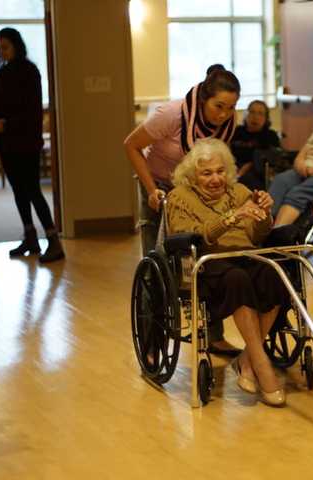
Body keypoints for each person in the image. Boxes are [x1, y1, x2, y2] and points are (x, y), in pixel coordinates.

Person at [123, 63, 241, 356]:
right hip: (158, 184)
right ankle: (152, 342)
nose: (224, 114)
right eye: (219, 106)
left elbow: (216, 161)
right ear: (203, 99)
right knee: (157, 264)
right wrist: (151, 189)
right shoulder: (172, 114)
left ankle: (214, 335)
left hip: (194, 191)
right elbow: (131, 145)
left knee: (204, 259)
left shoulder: (228, 123)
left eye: (231, 107)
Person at [166, 138, 287, 407]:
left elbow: (258, 236)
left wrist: (263, 214)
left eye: (220, 171)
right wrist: (231, 218)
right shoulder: (179, 198)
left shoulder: (240, 191)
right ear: (192, 175)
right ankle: (262, 366)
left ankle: (246, 360)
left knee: (274, 274)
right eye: (206, 173)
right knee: (237, 279)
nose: (215, 179)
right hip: (207, 263)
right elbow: (193, 236)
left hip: (245, 255)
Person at [0, 28, 64, 263]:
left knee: (32, 190)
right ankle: (30, 237)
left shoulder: (30, 72)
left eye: (5, 46)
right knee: (18, 191)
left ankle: (54, 241)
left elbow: (32, 111)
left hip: (26, 143)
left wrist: (6, 124)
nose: (2, 51)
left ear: (17, 46)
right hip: (6, 144)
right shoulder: (1, 74)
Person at [268, 128, 313, 226]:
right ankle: (263, 225)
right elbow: (301, 154)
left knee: (297, 193)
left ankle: (277, 233)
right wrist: (299, 164)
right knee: (280, 180)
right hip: (304, 170)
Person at [230, 100, 281, 191]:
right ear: (246, 114)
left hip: (256, 173)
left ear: (266, 118)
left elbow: (271, 159)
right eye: (252, 112)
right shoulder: (236, 131)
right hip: (232, 168)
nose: (255, 117)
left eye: (260, 113)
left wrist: (247, 167)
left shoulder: (270, 135)